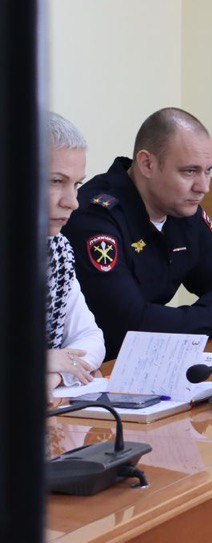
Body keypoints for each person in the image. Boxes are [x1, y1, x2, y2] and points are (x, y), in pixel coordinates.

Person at [63, 108, 212, 358]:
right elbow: (128, 325)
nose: (204, 187)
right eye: (189, 171)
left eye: (209, 170)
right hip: (98, 367)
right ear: (147, 164)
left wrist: (170, 322)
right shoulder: (95, 216)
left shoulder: (182, 209)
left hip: (152, 359)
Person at [45, 112, 105, 394]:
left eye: (76, 184)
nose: (73, 202)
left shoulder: (56, 250)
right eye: (55, 181)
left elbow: (91, 339)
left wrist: (55, 375)